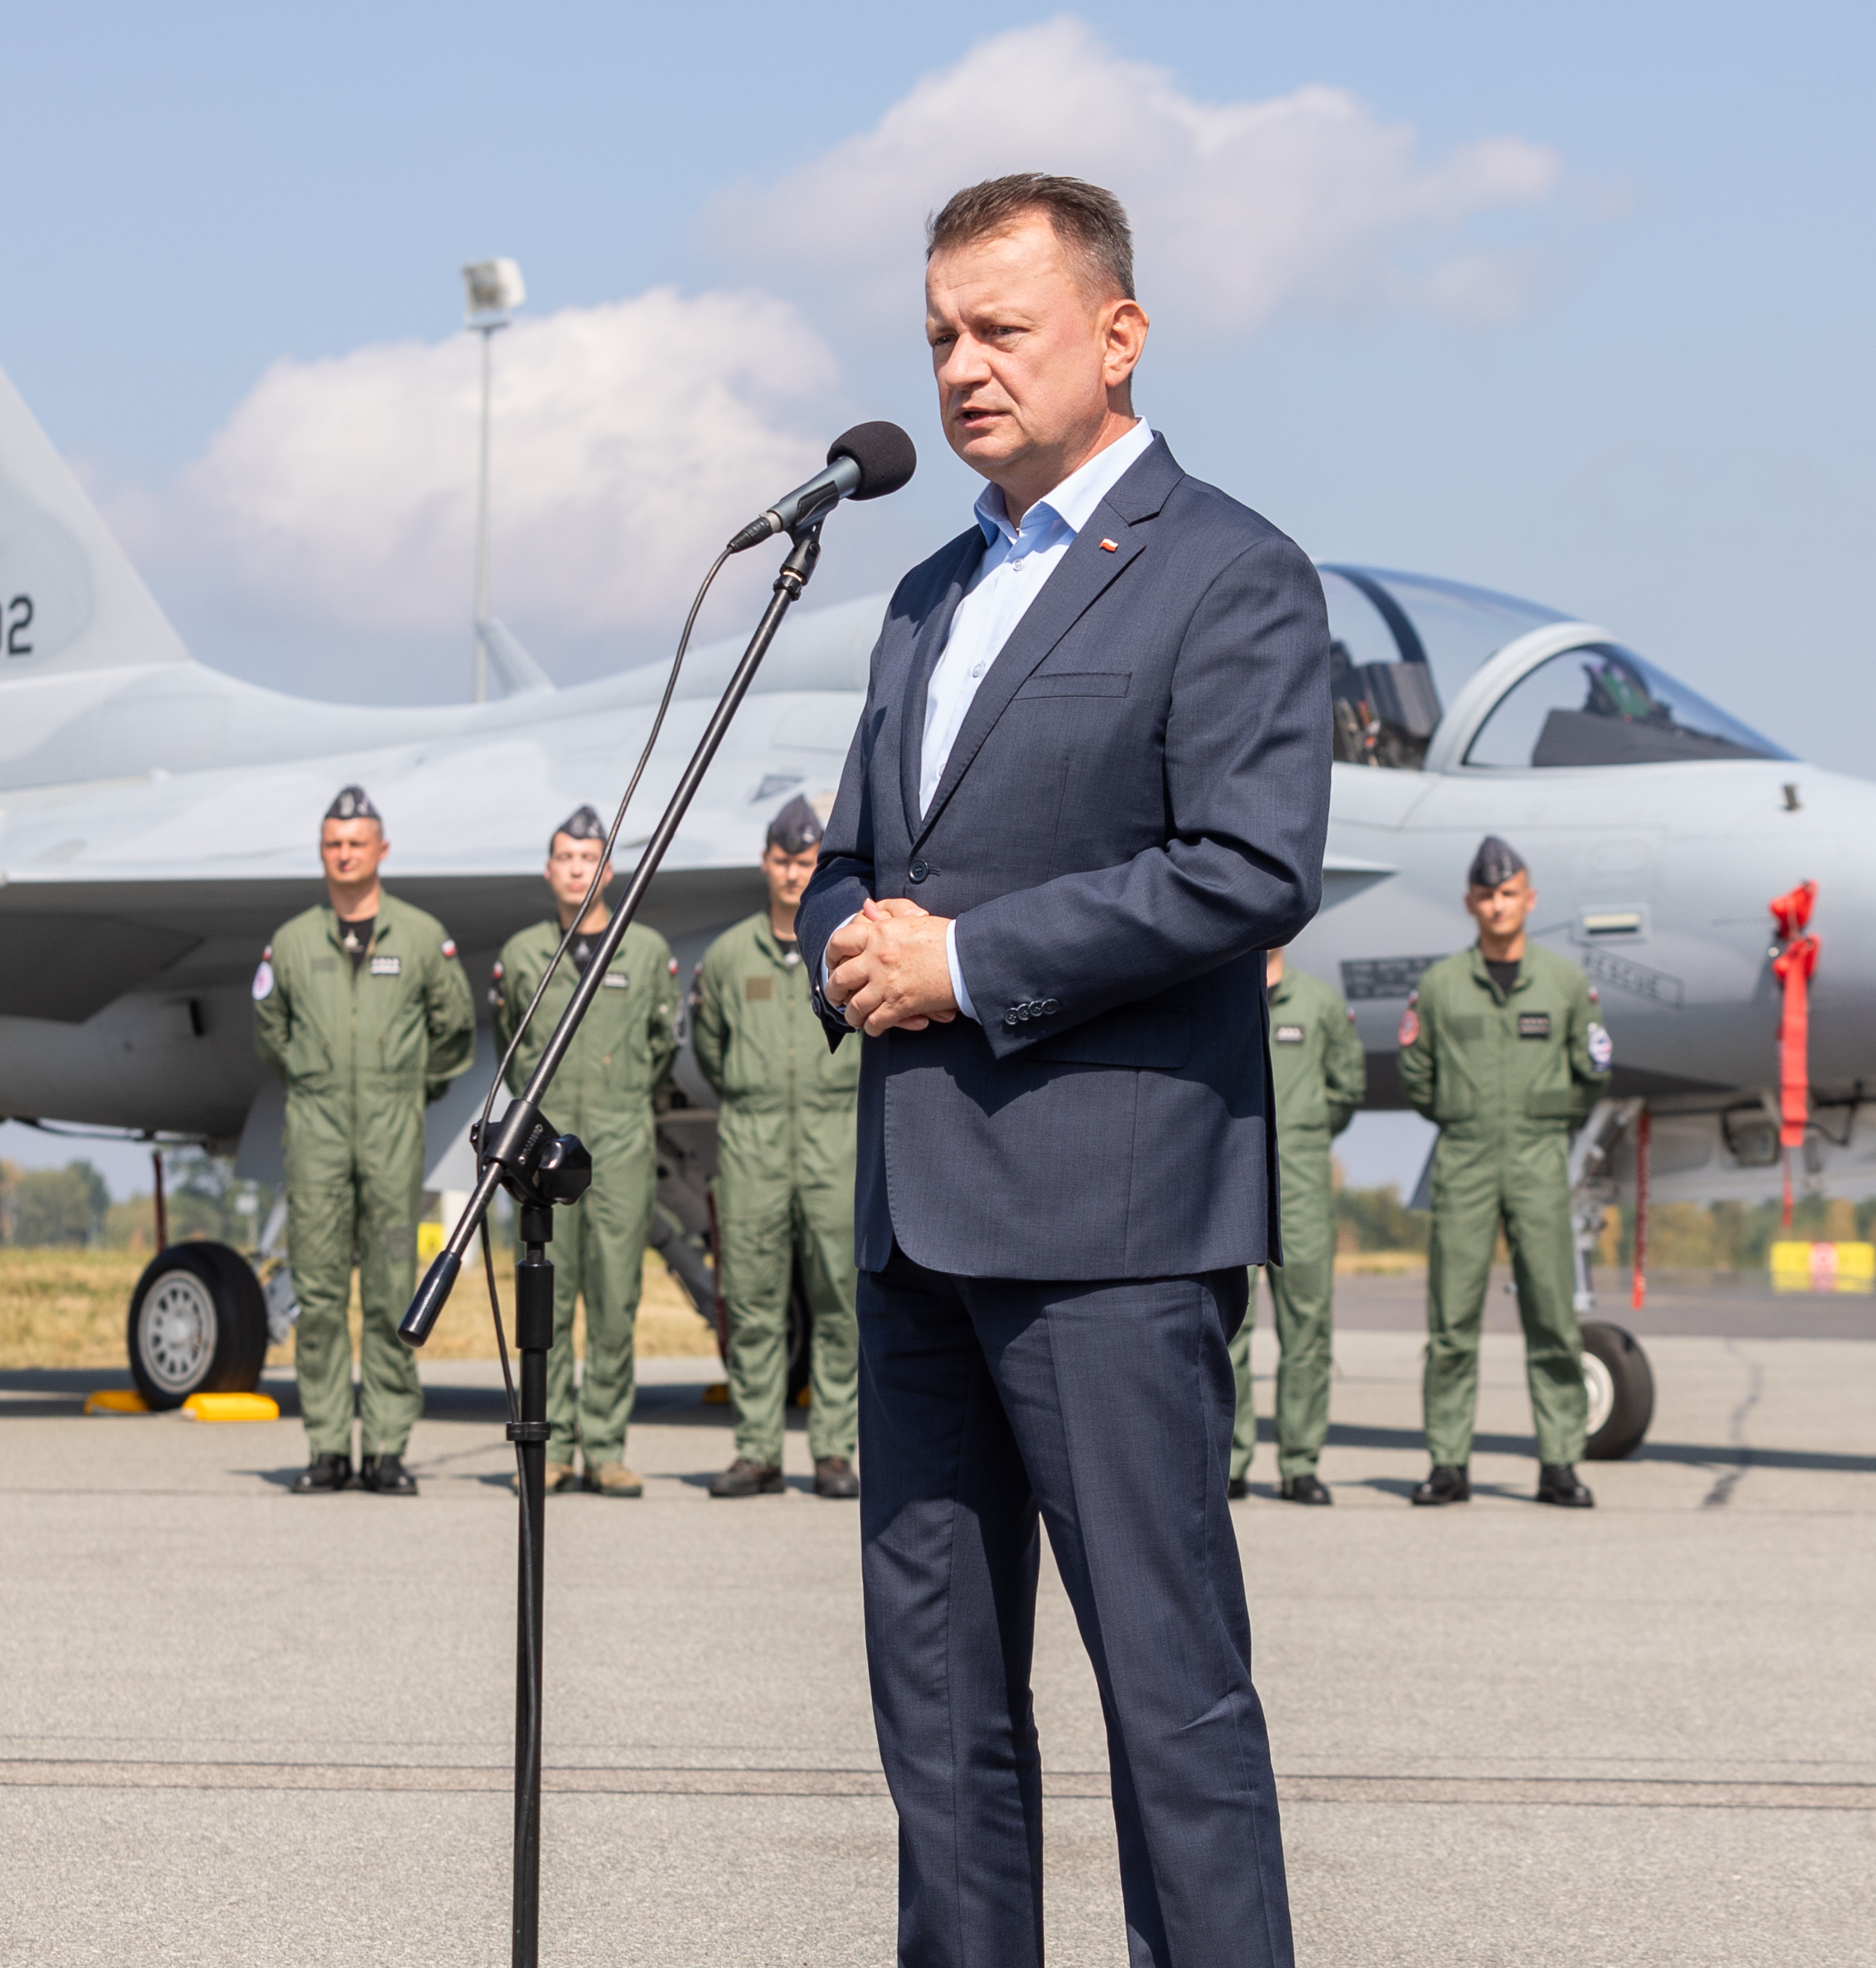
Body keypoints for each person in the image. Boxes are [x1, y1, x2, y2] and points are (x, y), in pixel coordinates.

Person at [807, 173, 1330, 1968]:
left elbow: (1248, 863)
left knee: (1168, 1705)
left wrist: (962, 960)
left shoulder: (1229, 571)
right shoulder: (920, 596)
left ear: (1116, 335)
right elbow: (860, 859)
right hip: (918, 1232)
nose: (960, 365)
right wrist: (848, 936)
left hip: (1110, 1236)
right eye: (939, 332)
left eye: (1000, 328)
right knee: (939, 1726)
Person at [252, 785, 474, 1496]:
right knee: (316, 1295)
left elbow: (455, 1030)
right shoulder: (289, 943)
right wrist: (315, 1080)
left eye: (356, 843)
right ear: (323, 854)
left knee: (388, 1294)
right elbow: (269, 1032)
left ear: (381, 851)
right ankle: (324, 1448)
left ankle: (383, 1447)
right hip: (314, 1130)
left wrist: (407, 1087)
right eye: (333, 844)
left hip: (390, 1130)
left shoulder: (417, 937)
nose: (344, 855)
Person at [1397, 835, 1612, 1509]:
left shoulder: (1565, 984)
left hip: (1538, 1161)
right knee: (1451, 1320)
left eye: (1509, 893)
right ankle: (1447, 1464)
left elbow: (1591, 1072)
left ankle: (1559, 1463)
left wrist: (1547, 1123)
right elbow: (1416, 1073)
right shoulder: (1438, 986)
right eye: (1487, 895)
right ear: (1470, 903)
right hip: (1462, 1160)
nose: (1498, 905)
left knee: (1552, 1314)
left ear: (1529, 899)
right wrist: (1461, 1117)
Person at [493, 804, 679, 1499]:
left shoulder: (644, 949)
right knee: (549, 1294)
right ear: (549, 871)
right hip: (544, 1145)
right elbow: (507, 1039)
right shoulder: (519, 956)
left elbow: (662, 1048)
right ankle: (556, 1446)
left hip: (622, 1141)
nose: (577, 870)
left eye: (589, 858)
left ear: (607, 869)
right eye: (565, 858)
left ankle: (605, 1448)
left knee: (613, 1296)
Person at [691, 795, 861, 1501]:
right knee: (754, 1304)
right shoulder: (728, 957)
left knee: (839, 1303)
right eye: (783, 860)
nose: (794, 874)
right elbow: (709, 1052)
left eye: (806, 861)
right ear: (765, 862)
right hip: (753, 1146)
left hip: (835, 1144)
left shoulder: (846, 944)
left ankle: (833, 1452)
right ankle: (757, 1451)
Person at [1233, 948, 1364, 1506]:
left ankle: (1300, 1464)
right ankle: (1229, 1462)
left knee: (1307, 1326)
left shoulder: (1320, 1004)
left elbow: (1346, 1090)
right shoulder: (1221, 992)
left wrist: (1300, 1136)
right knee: (1225, 1326)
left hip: (1301, 1183)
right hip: (1228, 1174)